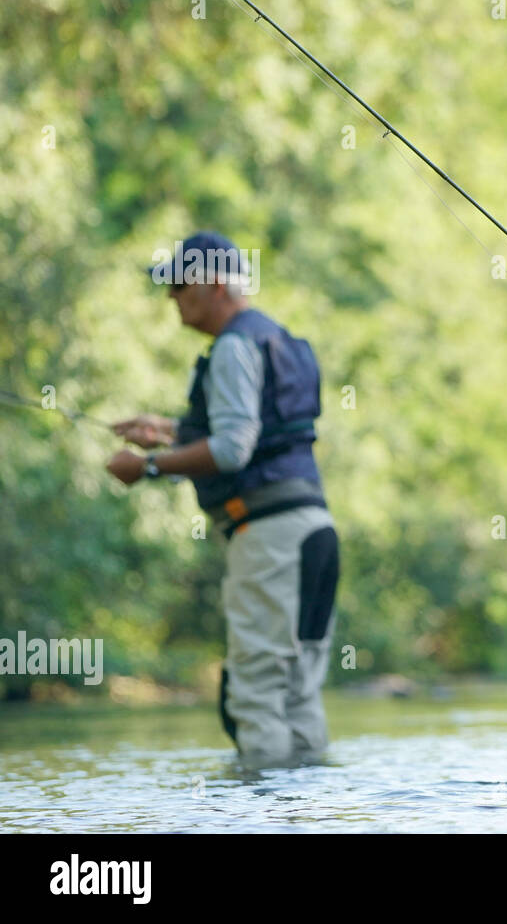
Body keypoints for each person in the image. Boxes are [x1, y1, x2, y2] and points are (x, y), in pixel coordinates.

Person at [106, 231, 339, 767]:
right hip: (314, 530)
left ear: (214, 285)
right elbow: (262, 432)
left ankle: (263, 823)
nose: (171, 298)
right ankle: (310, 817)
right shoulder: (277, 340)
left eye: (179, 285)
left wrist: (147, 467)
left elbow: (233, 449)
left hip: (268, 537)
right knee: (298, 692)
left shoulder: (234, 346)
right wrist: (169, 429)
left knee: (255, 696)